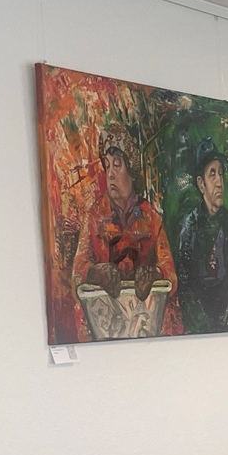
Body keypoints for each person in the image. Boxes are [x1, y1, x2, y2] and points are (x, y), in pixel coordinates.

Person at [76, 125, 180, 337]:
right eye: (107, 166)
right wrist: (95, 272)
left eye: (117, 164)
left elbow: (170, 272)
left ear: (131, 170)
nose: (111, 174)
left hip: (144, 325)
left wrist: (155, 274)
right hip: (105, 326)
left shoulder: (151, 217)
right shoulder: (94, 217)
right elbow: (78, 270)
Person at [173, 140, 228, 332]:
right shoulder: (189, 226)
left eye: (220, 173)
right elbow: (184, 282)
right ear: (201, 183)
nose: (219, 182)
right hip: (198, 323)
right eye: (212, 174)